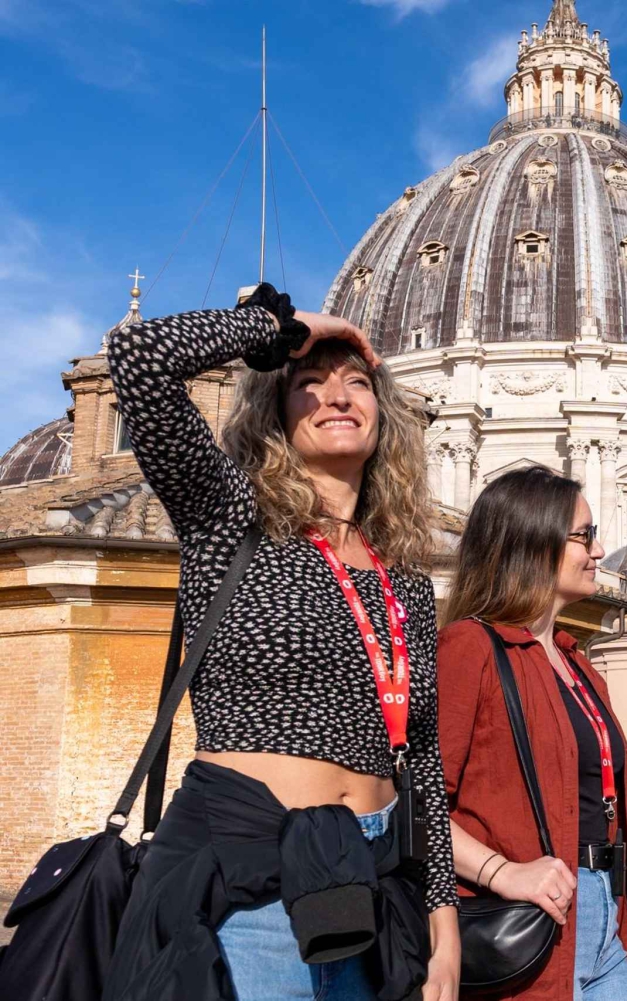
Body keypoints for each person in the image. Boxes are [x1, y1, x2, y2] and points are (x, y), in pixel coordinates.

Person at [102, 284, 460, 1001]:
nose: (337, 395)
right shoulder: (228, 516)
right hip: (250, 888)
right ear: (274, 410)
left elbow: (422, 757)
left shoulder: (406, 580)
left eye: (357, 382)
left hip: (375, 890)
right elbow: (138, 356)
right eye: (310, 382)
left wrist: (443, 924)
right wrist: (285, 328)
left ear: (383, 415)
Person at [437, 466, 627, 1001]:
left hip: (604, 911)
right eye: (585, 535)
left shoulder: (582, 668)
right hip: (528, 917)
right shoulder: (472, 647)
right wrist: (503, 872)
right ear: (532, 540)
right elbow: (416, 802)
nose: (600, 551)